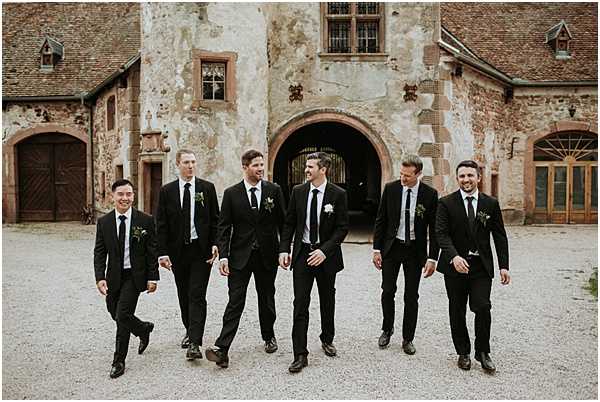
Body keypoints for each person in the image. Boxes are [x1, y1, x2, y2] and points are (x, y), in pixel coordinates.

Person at [205, 149, 286, 368]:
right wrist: (223, 256)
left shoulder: (274, 190)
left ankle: (268, 336)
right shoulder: (232, 193)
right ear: (245, 167)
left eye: (262, 165)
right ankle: (222, 348)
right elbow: (224, 227)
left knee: (266, 299)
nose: (260, 169)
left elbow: (284, 223)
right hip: (239, 257)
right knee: (235, 302)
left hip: (267, 256)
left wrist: (284, 250)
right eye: (256, 165)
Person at [436, 160, 510, 373]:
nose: (466, 180)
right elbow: (441, 234)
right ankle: (463, 352)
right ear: (457, 179)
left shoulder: (490, 203)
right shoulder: (446, 203)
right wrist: (454, 257)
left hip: (480, 266)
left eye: (470, 175)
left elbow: (499, 236)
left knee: (483, 306)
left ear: (478, 177)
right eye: (462, 176)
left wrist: (504, 265)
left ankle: (483, 351)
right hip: (454, 266)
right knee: (457, 310)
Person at [279, 151, 349, 373]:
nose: (306, 170)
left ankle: (327, 338)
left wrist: (324, 251)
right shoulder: (298, 192)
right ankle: (300, 354)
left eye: (310, 167)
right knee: (300, 303)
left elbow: (342, 228)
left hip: (326, 257)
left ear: (323, 170)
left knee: (327, 299)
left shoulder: (338, 194)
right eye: (306, 166)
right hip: (302, 256)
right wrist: (284, 249)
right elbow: (289, 223)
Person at [155, 149, 219, 360]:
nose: (191, 166)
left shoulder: (206, 189)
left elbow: (215, 220)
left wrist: (216, 244)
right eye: (186, 162)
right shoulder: (167, 191)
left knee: (197, 294)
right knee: (183, 293)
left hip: (201, 252)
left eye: (193, 162)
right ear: (177, 165)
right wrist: (162, 252)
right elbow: (161, 224)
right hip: (178, 252)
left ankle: (194, 342)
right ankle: (189, 329)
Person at [372, 154, 439, 354]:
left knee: (411, 296)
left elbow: (435, 229)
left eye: (407, 176)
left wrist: (432, 257)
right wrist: (377, 249)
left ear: (418, 174)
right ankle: (387, 329)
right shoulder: (391, 189)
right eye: (401, 174)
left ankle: (408, 338)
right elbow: (381, 220)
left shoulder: (429, 194)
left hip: (415, 251)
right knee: (387, 291)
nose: (403, 178)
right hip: (392, 248)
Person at [94, 179, 159, 378]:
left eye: (129, 194)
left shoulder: (145, 220)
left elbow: (152, 251)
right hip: (114, 276)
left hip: (135, 276)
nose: (125, 198)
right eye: (121, 194)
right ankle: (142, 329)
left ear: (133, 196)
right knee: (113, 310)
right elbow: (100, 252)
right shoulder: (104, 222)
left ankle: (118, 361)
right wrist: (100, 277)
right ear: (113, 196)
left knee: (122, 315)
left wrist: (153, 277)